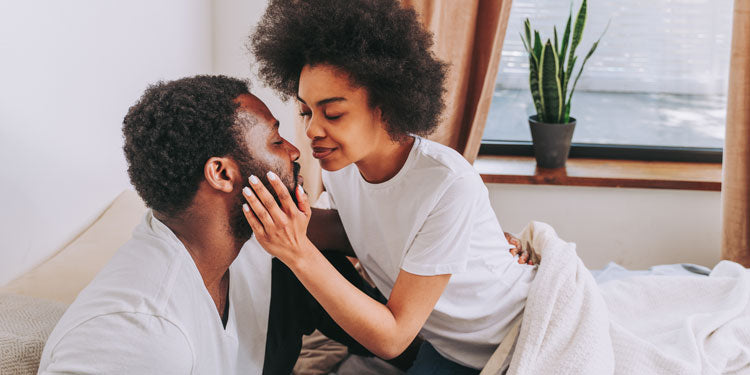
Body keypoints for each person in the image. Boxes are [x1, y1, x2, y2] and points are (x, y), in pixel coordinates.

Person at [245, 0, 537, 374]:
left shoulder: (448, 183)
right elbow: (360, 231)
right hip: (441, 345)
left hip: (505, 343)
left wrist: (297, 249)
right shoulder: (341, 167)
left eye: (332, 113)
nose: (312, 131)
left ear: (384, 106)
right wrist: (259, 209)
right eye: (306, 111)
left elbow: (393, 337)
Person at [38, 75, 389, 374]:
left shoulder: (250, 232)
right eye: (276, 141)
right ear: (221, 173)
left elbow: (355, 234)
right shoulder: (139, 332)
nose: (295, 152)